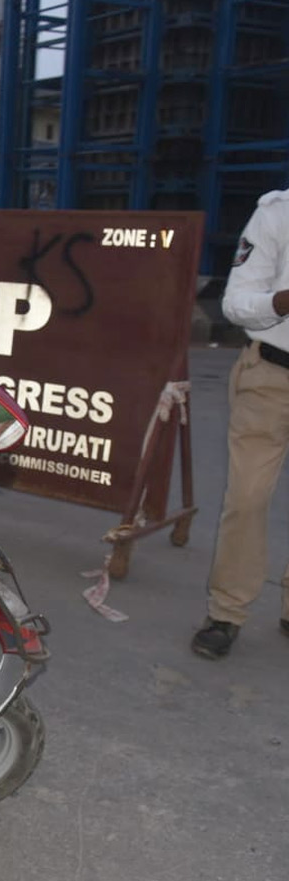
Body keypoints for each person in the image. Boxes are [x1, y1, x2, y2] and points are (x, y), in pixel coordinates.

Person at [192, 189, 289, 659]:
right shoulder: (277, 214)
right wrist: (284, 300)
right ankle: (226, 612)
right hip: (273, 375)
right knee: (247, 498)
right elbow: (235, 302)